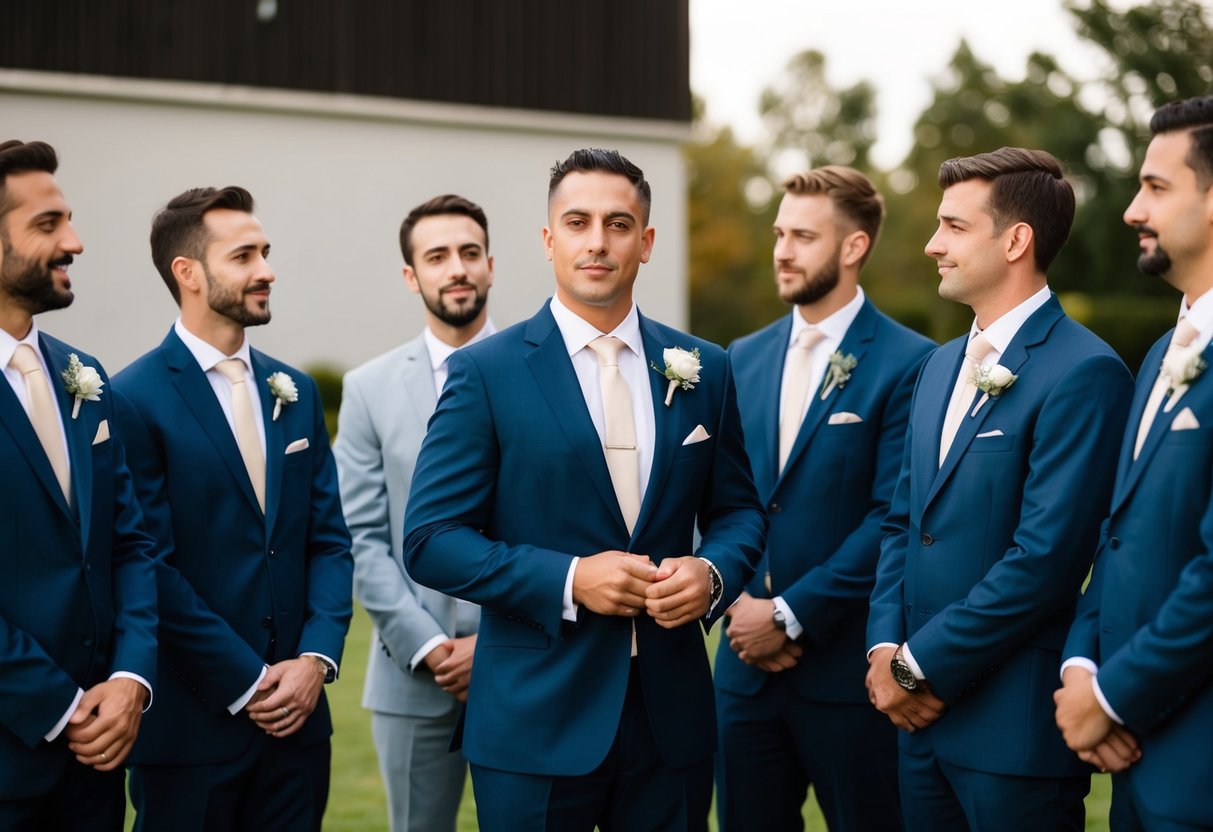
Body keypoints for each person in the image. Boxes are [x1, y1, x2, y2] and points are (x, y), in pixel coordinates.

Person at [403, 148, 766, 831]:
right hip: (533, 720)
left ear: (646, 242)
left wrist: (713, 573)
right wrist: (569, 579)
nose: (597, 241)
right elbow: (431, 540)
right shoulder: (485, 372)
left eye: (618, 224)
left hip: (670, 720)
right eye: (577, 223)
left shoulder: (704, 368)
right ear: (549, 240)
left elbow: (739, 510)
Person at [865, 147, 1133, 831]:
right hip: (917, 731)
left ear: (1015, 241)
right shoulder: (936, 368)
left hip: (1011, 736)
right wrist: (882, 649)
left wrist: (917, 667)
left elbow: (1045, 560)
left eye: (953, 227)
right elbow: (902, 523)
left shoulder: (1085, 372)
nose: (933, 245)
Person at [111, 185, 353, 831]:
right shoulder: (130, 399)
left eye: (265, 252)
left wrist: (315, 659)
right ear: (187, 272)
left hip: (300, 727)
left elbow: (329, 540)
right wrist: (249, 680)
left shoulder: (295, 390)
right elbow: (148, 564)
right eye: (244, 256)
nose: (267, 270)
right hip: (191, 734)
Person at [716, 165, 933, 831]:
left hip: (847, 675)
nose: (782, 251)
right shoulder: (739, 357)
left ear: (853, 246)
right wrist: (737, 604)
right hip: (742, 672)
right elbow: (717, 498)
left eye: (803, 236)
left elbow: (892, 516)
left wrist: (789, 615)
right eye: (779, 234)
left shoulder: (911, 362)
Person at [1056, 94, 1213, 831]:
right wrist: (1081, 669)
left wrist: (1115, 697)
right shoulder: (1157, 358)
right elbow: (1116, 538)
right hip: (1134, 767)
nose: (1130, 211)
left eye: (1155, 187)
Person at [0, 139, 157, 830]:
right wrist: (62, 707)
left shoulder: (83, 376)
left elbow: (130, 543)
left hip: (97, 764)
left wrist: (130, 679)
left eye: (69, 219)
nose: (75, 242)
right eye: (47, 224)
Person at [334, 193, 495, 831]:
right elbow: (361, 537)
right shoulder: (367, 389)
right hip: (411, 675)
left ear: (490, 265)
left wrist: (496, 643)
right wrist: (427, 644)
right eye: (437, 256)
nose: (456, 268)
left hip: (524, 663)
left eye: (470, 252)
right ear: (412, 275)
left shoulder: (542, 371)